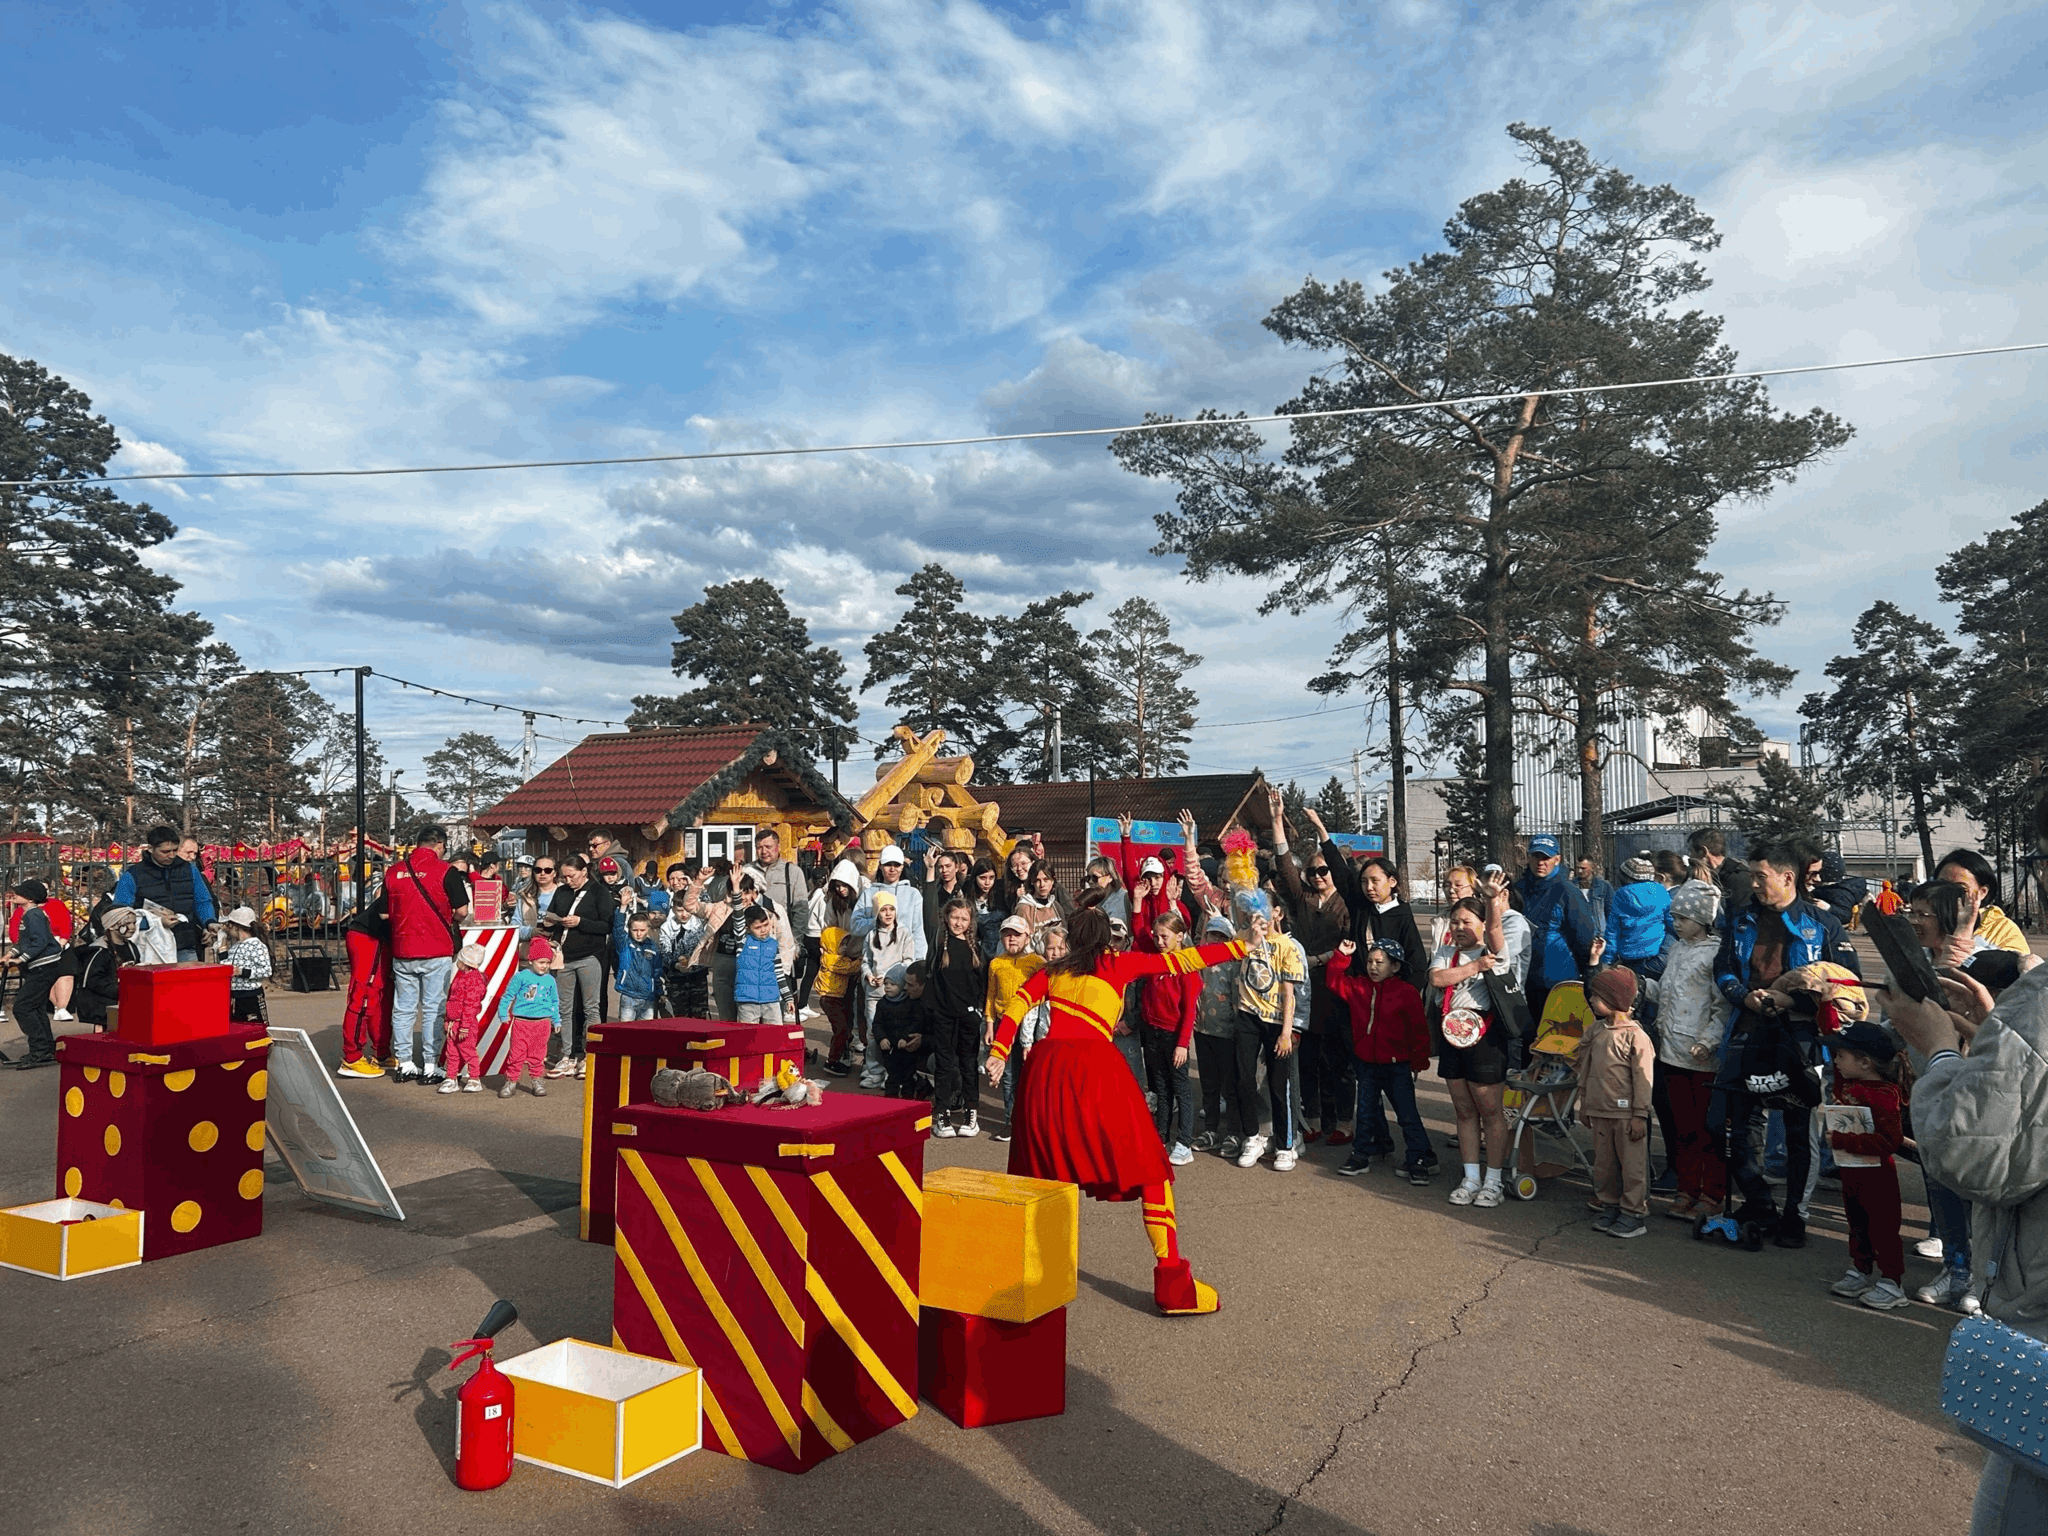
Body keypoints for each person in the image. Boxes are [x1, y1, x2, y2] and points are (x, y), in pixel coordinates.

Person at [985, 905, 1246, 1316]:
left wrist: (1000, 1051)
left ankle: (1026, 1271)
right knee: (1149, 1168)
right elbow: (1185, 959)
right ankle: (1173, 1284)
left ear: (1071, 938)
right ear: (1108, 938)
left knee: (1042, 1174)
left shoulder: (1053, 970)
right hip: (1094, 1069)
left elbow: (1016, 1004)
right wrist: (1241, 945)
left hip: (1046, 1071)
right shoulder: (1118, 963)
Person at [1708, 838, 1860, 1248]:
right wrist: (1744, 995)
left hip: (1801, 1040)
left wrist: (1791, 999)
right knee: (1724, 1125)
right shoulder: (1740, 918)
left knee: (1798, 1133)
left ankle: (1796, 1215)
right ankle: (1759, 1201)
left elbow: (1848, 987)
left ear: (1787, 877)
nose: (1754, 884)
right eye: (1753, 876)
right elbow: (1722, 968)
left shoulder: (1823, 925)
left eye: (1761, 877)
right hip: (1746, 1030)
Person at [1270, 793, 1356, 1151]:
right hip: (1303, 989)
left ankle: (1345, 1121)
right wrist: (1277, 821)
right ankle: (1314, 1117)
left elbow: (1350, 943)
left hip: (1335, 986)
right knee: (1308, 1058)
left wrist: (1319, 959)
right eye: (1315, 871)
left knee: (1338, 1060)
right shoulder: (1303, 898)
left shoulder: (1347, 903)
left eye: (1326, 870)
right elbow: (1285, 866)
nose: (1320, 876)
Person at [1429, 896, 1517, 1207]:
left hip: (1486, 1035)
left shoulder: (1493, 952)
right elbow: (1437, 978)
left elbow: (1495, 929)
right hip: (1453, 1035)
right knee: (1464, 1110)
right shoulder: (1445, 952)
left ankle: (1493, 1181)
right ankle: (1470, 1178)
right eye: (1455, 922)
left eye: (1467, 921)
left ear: (1480, 923)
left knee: (1490, 1111)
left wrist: (1492, 900)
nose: (1460, 927)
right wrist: (1473, 968)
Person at [1820, 1021, 1911, 1309]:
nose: (1835, 1061)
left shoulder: (1883, 1094)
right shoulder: (1852, 1084)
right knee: (1857, 1222)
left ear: (1864, 1061)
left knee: (1882, 1228)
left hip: (1877, 1176)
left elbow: (1889, 1141)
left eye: (1841, 1056)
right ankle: (1861, 1269)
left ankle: (1892, 1282)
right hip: (1853, 1172)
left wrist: (1843, 1141)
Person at [1652, 881, 1728, 1221]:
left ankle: (1712, 1192)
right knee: (1681, 1126)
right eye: (1674, 916)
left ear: (1703, 919)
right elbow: (1667, 993)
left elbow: (1721, 1006)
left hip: (1700, 1056)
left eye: (1684, 917)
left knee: (1707, 1130)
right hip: (1670, 1050)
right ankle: (1687, 1188)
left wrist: (1709, 1040)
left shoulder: (1715, 954)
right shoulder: (1676, 950)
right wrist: (1641, 987)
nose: (1677, 923)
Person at [1329, 937, 1433, 1182]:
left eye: (1380, 962)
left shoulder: (1407, 993)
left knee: (1406, 1113)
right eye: (1369, 961)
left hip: (1397, 1065)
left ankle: (1419, 1156)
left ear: (1395, 966)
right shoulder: (1359, 987)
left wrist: (1419, 1061)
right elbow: (1334, 981)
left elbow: (1419, 1030)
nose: (1373, 967)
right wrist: (1342, 957)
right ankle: (1363, 1152)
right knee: (1365, 1111)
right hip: (1367, 1063)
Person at [382, 825, 472, 1085]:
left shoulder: (394, 871)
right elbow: (462, 911)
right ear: (440, 845)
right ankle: (431, 1065)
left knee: (404, 1008)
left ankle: (405, 1062)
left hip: (403, 949)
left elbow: (387, 911)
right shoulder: (447, 871)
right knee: (434, 1008)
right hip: (437, 949)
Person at [1230, 890, 1308, 1171]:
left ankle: (1285, 1145)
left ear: (1278, 913)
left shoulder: (1288, 947)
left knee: (1278, 1086)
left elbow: (1290, 993)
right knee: (1245, 1080)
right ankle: (1252, 1137)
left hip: (1276, 1021)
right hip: (1247, 1017)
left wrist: (1288, 1032)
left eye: (1266, 907)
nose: (1259, 913)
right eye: (1255, 908)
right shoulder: (1244, 939)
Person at [1577, 966, 1654, 1239]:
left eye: (1596, 996)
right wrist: (1584, 1102)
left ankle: (1634, 1212)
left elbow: (1644, 1080)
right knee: (1605, 1164)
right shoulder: (1595, 1031)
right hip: (1599, 1111)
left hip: (1626, 1115)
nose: (1591, 1000)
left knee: (1632, 1166)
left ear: (1616, 1000)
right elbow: (1583, 1068)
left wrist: (1639, 1114)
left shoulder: (1636, 1037)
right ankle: (1609, 1204)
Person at [1136, 908, 1201, 1164]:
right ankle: (1161, 1136)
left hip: (1174, 1036)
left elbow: (1188, 1011)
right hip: (1153, 1032)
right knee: (1161, 1088)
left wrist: (1183, 1044)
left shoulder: (1187, 968)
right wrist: (1138, 904)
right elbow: (1140, 934)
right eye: (1157, 936)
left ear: (1180, 936)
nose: (1159, 942)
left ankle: (1184, 1143)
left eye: (1165, 937)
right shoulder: (1155, 958)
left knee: (1181, 1089)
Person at [539, 853, 612, 1078]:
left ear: (584, 872)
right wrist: (550, 923)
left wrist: (582, 922)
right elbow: (549, 918)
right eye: (564, 876)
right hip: (564, 957)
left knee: (591, 1008)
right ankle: (567, 1056)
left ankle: (591, 1056)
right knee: (564, 1009)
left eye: (571, 876)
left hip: (590, 955)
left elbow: (607, 925)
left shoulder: (600, 892)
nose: (568, 880)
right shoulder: (561, 891)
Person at [1515, 834, 1597, 1019]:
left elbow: (1584, 938)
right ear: (1528, 857)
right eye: (1536, 856)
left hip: (1558, 981)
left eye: (1546, 857)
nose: (1541, 862)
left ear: (1557, 859)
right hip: (1522, 980)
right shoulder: (1518, 890)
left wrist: (1586, 972)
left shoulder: (1568, 892)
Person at [925, 898, 986, 1137]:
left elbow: (981, 983)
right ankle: (943, 1114)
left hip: (969, 1017)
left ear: (970, 922)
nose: (958, 923)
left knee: (969, 1066)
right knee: (944, 1066)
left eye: (964, 919)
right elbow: (929, 916)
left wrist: (978, 1011)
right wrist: (930, 876)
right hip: (943, 1016)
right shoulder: (940, 942)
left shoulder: (976, 949)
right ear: (946, 918)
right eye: (954, 917)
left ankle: (971, 1112)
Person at [111, 825, 216, 962]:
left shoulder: (190, 869)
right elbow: (120, 912)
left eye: (174, 850)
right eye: (165, 851)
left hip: (184, 944)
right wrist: (156, 923)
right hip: (149, 946)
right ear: (150, 849)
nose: (171, 855)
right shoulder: (133, 875)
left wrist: (210, 921)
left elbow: (202, 900)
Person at [985, 915, 1045, 1130]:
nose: (1011, 939)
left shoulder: (1038, 962)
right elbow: (991, 995)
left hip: (1031, 1025)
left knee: (1030, 1073)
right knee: (1008, 1075)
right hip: (1003, 1025)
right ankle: (1011, 1121)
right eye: (1007, 934)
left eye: (1017, 934)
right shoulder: (996, 963)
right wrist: (990, 1024)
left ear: (1027, 938)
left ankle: (1031, 1120)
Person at [808, 861, 866, 1079]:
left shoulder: (862, 898)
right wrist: (833, 945)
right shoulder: (834, 901)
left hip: (858, 951)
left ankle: (850, 1050)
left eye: (844, 885)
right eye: (837, 885)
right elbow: (829, 926)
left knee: (857, 1010)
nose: (841, 890)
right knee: (844, 1015)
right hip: (840, 953)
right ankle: (841, 1055)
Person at [337, 876, 393, 1078]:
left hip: (378, 937)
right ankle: (352, 1057)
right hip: (370, 937)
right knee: (364, 995)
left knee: (380, 996)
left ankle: (381, 1052)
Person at [4, 880, 64, 1069]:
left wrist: (21, 959)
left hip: (43, 967)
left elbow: (40, 942)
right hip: (41, 967)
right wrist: (10, 954)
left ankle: (39, 1051)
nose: (15, 895)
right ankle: (46, 1048)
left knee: (23, 1007)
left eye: (19, 892)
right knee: (36, 1007)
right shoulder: (27, 914)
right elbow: (24, 941)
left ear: (30, 898)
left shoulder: (34, 915)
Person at [495, 938, 560, 1098]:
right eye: (541, 962)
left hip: (543, 1023)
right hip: (522, 1022)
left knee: (538, 1055)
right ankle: (511, 1081)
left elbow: (554, 1001)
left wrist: (556, 1019)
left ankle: (537, 1080)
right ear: (531, 960)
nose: (544, 966)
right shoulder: (521, 977)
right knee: (517, 1054)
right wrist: (503, 1014)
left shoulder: (550, 980)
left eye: (547, 962)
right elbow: (508, 996)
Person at [1934, 847, 2030, 955]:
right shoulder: (1927, 921)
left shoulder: (2003, 931)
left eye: (1960, 889)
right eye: (1941, 885)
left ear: (1982, 892)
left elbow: (2019, 968)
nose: (1948, 893)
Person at [1599, 852, 1671, 973]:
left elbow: (1613, 930)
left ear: (1625, 876)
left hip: (1629, 957)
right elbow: (1670, 920)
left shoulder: (1621, 894)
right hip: (1657, 954)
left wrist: (1607, 960)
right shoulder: (1661, 890)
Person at [872, 962, 930, 1100]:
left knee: (908, 1078)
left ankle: (908, 1102)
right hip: (890, 1048)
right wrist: (881, 1038)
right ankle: (890, 1103)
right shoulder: (882, 1003)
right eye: (886, 984)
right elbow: (877, 1024)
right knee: (892, 1077)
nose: (887, 987)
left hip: (907, 1048)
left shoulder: (912, 1003)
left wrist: (905, 1038)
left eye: (892, 984)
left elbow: (916, 1023)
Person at [440, 943, 489, 1094]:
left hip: (465, 1023)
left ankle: (474, 1078)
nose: (457, 962)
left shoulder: (473, 980)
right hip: (454, 1022)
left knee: (468, 1051)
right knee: (452, 1052)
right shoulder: (461, 978)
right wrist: (448, 1020)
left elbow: (471, 1005)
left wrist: (465, 1026)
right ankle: (451, 1077)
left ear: (465, 962)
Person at [612, 907, 666, 1022]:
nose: (638, 934)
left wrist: (660, 992)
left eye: (642, 930)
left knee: (645, 1033)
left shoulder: (653, 948)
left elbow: (657, 971)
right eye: (635, 930)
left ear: (648, 929)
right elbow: (617, 929)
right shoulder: (624, 944)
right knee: (626, 1031)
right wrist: (622, 908)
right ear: (629, 929)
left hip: (648, 997)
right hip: (628, 994)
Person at [732, 905, 784, 1025]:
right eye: (757, 927)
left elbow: (779, 973)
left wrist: (788, 997)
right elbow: (738, 918)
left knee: (775, 1036)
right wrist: (736, 889)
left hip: (771, 999)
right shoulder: (742, 941)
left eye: (766, 925)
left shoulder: (773, 944)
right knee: (747, 1037)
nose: (763, 930)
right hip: (747, 1000)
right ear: (748, 928)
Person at [221, 905, 272, 1025]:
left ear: (237, 927)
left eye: (229, 926)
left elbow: (266, 970)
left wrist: (242, 971)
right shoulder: (235, 947)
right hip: (235, 995)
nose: (228, 929)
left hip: (252, 995)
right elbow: (225, 966)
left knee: (258, 1026)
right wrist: (222, 947)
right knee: (238, 1026)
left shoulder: (256, 945)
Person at [1012, 860, 1069, 941]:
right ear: (1032, 881)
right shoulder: (1023, 908)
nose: (1042, 885)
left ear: (1052, 881)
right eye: (1038, 880)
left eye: (1046, 880)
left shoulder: (1056, 906)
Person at [1574, 856, 1615, 938]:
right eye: (1577, 868)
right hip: (1577, 937)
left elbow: (1611, 913)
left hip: (1599, 937)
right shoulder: (1571, 886)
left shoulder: (1604, 886)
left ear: (1593, 868)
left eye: (1583, 868)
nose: (1579, 871)